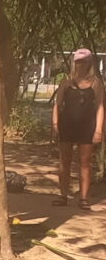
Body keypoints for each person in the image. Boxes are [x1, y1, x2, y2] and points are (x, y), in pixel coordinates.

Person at [52, 47, 104, 210]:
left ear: (90, 63)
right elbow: (57, 104)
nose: (81, 65)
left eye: (84, 62)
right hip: (67, 125)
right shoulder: (67, 81)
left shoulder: (96, 83)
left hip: (87, 127)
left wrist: (99, 129)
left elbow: (101, 107)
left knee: (85, 163)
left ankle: (83, 199)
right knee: (64, 162)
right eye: (78, 62)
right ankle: (63, 196)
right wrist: (55, 125)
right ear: (74, 63)